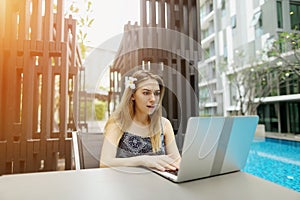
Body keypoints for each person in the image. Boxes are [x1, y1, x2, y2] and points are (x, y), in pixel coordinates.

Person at [100, 70, 181, 171]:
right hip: (126, 183)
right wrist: (142, 160)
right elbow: (104, 162)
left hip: (159, 183)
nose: (153, 99)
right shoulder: (118, 123)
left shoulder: (164, 124)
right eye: (146, 93)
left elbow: (177, 161)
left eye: (156, 93)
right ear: (133, 95)